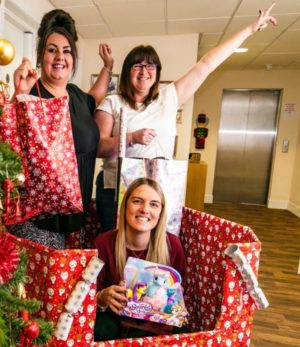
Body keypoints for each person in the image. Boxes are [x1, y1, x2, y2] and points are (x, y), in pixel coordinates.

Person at [95, 3, 278, 232]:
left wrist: (250, 29)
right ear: (127, 71)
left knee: (155, 249)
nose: (144, 71)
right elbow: (99, 147)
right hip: (114, 190)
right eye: (137, 65)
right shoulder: (112, 102)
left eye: (150, 65)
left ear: (157, 72)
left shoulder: (169, 97)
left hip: (155, 189)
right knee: (114, 246)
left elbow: (207, 64)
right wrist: (131, 137)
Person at [8, 9, 114, 249]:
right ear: (41, 55)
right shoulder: (31, 96)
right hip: (40, 224)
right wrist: (19, 95)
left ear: (73, 58)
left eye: (66, 51)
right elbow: (9, 140)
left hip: (73, 221)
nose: (60, 57)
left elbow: (95, 95)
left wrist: (107, 67)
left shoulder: (76, 95)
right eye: (52, 49)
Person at [93, 178, 186, 340]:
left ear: (160, 213)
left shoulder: (172, 245)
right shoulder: (103, 243)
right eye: (137, 201)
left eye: (154, 204)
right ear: (125, 206)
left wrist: (174, 297)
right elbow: (89, 300)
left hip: (156, 327)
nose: (145, 209)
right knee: (102, 328)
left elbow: (182, 293)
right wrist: (102, 297)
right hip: (114, 323)